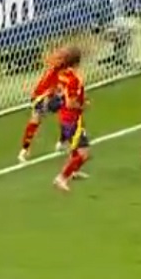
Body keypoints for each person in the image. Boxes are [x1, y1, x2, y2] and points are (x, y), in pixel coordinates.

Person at [53, 47, 91, 191]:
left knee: (75, 147)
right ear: (77, 62)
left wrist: (82, 98)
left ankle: (74, 172)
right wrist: (83, 105)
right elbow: (71, 103)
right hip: (72, 118)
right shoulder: (74, 79)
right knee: (84, 153)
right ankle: (62, 178)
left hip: (64, 117)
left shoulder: (61, 75)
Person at [19, 49, 66, 163]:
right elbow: (42, 91)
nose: (60, 61)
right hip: (42, 98)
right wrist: (42, 99)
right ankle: (24, 149)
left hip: (52, 96)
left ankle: (62, 142)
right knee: (35, 120)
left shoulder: (63, 71)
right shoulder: (52, 73)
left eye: (61, 59)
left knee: (67, 115)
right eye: (58, 59)